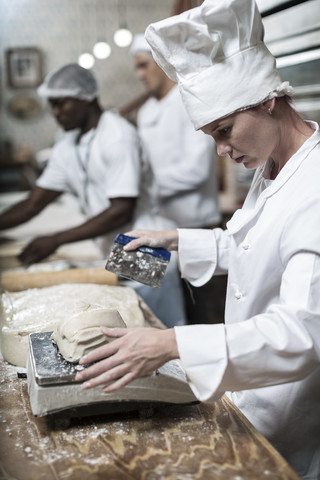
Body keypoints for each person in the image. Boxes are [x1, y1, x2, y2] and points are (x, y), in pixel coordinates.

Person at [75, 1, 320, 478]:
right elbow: (251, 244)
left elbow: (304, 334)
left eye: (225, 131)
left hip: (291, 409)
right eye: (212, 136)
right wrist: (177, 241)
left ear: (268, 99)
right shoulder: (274, 164)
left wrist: (173, 344)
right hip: (252, 394)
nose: (222, 152)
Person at [0, 63, 186, 328]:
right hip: (111, 249)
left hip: (144, 249)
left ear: (85, 97)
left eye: (61, 104)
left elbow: (121, 209)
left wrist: (56, 239)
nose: (55, 113)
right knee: (127, 330)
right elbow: (33, 203)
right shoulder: (68, 146)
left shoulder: (117, 136)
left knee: (159, 331)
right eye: (51, 105)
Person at [130, 34, 225, 325]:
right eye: (137, 68)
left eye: (144, 66)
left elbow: (197, 170)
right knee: (148, 309)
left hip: (195, 230)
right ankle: (162, 366)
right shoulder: (146, 111)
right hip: (156, 226)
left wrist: (141, 185)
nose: (140, 75)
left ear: (162, 62)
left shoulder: (189, 102)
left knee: (201, 317)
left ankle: (193, 369)